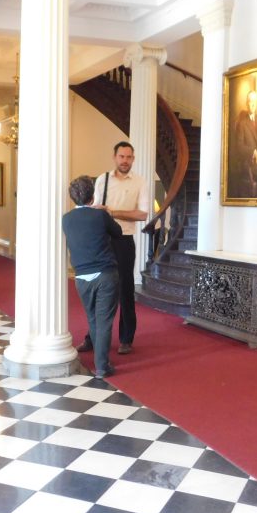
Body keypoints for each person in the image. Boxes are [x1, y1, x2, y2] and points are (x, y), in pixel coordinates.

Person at [78, 140, 149, 356]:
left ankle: (126, 339)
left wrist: (113, 212)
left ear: (133, 159)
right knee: (98, 290)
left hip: (124, 241)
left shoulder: (140, 182)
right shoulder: (103, 180)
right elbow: (95, 208)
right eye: (122, 156)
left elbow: (143, 214)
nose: (125, 161)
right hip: (103, 241)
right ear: (114, 157)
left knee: (125, 291)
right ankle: (93, 336)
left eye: (129, 157)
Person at [62, 175, 121, 379]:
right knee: (104, 321)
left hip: (81, 277)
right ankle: (102, 366)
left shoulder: (66, 219)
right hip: (105, 274)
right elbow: (118, 232)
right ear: (93, 195)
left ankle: (101, 361)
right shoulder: (100, 216)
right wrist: (107, 212)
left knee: (93, 319)